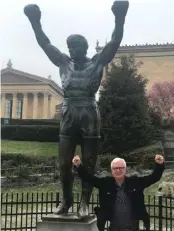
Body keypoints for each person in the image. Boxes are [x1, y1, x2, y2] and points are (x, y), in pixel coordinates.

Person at [24, 1, 129, 217]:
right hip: (69, 111)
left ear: (85, 48)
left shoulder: (98, 62)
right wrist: (35, 22)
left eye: (75, 47)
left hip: (89, 111)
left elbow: (115, 40)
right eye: (69, 47)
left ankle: (84, 202)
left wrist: (119, 16)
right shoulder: (63, 62)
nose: (71, 50)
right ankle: (66, 201)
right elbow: (45, 44)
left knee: (89, 163)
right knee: (64, 163)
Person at [72, 154, 165, 231]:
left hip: (133, 227)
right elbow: (89, 178)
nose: (118, 170)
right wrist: (79, 166)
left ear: (125, 170)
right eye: (115, 168)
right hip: (114, 227)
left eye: (121, 168)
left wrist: (159, 165)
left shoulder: (135, 182)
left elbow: (153, 178)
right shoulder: (105, 183)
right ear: (112, 171)